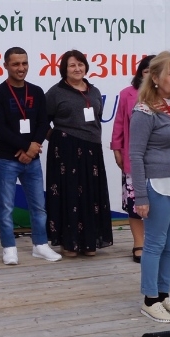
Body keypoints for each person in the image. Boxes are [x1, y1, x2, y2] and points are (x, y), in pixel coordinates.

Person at [130, 51, 170, 323]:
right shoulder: (144, 111)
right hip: (158, 184)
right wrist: (140, 196)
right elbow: (135, 155)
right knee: (155, 243)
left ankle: (163, 293)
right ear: (155, 78)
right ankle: (149, 299)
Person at [0, 47, 61, 265]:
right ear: (5, 66)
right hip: (7, 159)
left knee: (39, 206)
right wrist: (25, 147)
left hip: (33, 159)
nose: (21, 68)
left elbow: (43, 123)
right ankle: (9, 248)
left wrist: (33, 147)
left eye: (24, 63)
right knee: (6, 207)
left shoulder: (36, 92)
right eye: (15, 64)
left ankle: (40, 245)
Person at [45, 49, 113, 257]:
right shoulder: (55, 92)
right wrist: (57, 138)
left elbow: (97, 117)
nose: (77, 68)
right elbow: (42, 121)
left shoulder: (94, 91)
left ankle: (89, 242)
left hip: (92, 150)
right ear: (64, 69)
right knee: (69, 195)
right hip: (66, 151)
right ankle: (69, 242)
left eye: (80, 64)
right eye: (72, 65)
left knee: (91, 195)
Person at [110, 54, 155, 263]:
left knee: (161, 205)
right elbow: (119, 124)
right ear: (140, 74)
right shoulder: (127, 94)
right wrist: (116, 149)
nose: (150, 76)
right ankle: (139, 244)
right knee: (136, 203)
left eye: (155, 72)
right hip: (133, 158)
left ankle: (157, 243)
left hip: (163, 162)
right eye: (146, 71)